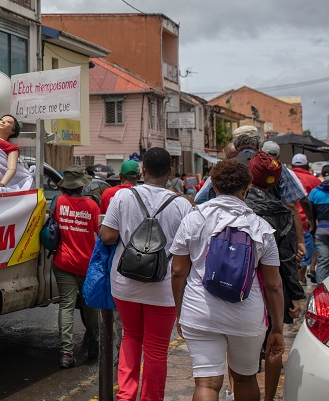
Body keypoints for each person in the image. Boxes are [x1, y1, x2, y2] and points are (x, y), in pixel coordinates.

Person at [170, 160, 285, 401]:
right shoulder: (261, 227)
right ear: (246, 190)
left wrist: (180, 312)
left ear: (214, 187)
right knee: (245, 378)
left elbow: (178, 271)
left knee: (207, 383)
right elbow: (273, 285)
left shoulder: (194, 219)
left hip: (200, 311)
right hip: (246, 315)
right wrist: (276, 328)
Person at [100, 148, 192, 401]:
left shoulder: (123, 197)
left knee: (130, 336)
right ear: (170, 173)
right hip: (164, 288)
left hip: (125, 282)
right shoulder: (183, 205)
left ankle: (126, 396)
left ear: (143, 170)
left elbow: (107, 236)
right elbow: (188, 251)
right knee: (156, 350)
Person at [195, 126, 306, 261]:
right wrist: (299, 241)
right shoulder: (274, 166)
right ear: (258, 144)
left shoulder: (225, 167)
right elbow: (292, 205)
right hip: (274, 235)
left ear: (235, 146)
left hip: (231, 235)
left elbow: (200, 198)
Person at [244, 151, 304, 401]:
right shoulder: (282, 212)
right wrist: (296, 295)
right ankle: (268, 398)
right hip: (275, 287)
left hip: (241, 286)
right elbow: (288, 260)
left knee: (240, 351)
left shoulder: (240, 206)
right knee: (275, 343)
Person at [51, 165, 101, 368]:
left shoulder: (59, 201)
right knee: (90, 307)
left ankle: (66, 353)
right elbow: (101, 233)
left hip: (63, 262)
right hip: (86, 264)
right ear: (82, 186)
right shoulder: (92, 206)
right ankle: (95, 345)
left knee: (66, 305)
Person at [308, 163, 329, 283]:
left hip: (321, 232)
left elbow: (311, 217)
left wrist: (312, 234)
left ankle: (321, 292)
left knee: (323, 262)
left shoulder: (314, 193)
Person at [290, 153, 321, 283]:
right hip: (305, 224)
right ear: (306, 165)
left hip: (287, 222)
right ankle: (299, 282)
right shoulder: (314, 180)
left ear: (292, 165)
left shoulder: (286, 176)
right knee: (303, 254)